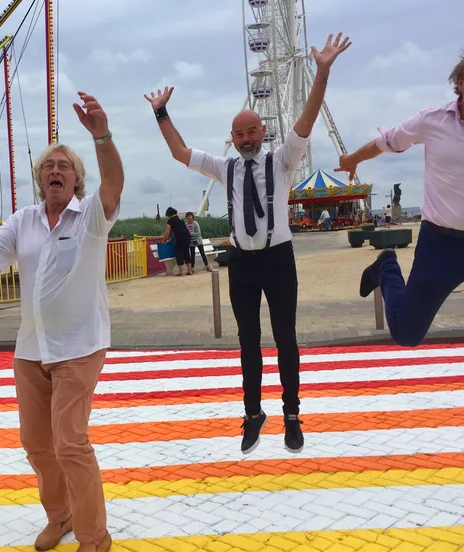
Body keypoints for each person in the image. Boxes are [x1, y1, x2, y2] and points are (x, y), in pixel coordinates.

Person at [145, 33, 351, 454]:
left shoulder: (283, 158)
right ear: (233, 138)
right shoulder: (225, 167)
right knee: (248, 340)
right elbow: (180, 152)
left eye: (251, 131)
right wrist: (162, 113)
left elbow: (308, 118)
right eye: (238, 134)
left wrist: (323, 71)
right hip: (241, 261)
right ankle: (253, 413)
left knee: (286, 337)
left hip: (278, 259)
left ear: (263, 131)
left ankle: (292, 413)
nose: (244, 139)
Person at [0, 91, 121, 552]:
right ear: (39, 179)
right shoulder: (23, 220)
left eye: (64, 167)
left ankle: (94, 534)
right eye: (49, 167)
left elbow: (113, 182)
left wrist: (101, 135)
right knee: (37, 445)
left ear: (76, 180)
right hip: (30, 351)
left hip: (79, 347)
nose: (56, 172)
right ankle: (60, 516)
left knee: (70, 442)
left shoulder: (90, 216)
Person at [335, 40, 464, 365]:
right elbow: (386, 142)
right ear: (460, 83)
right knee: (406, 333)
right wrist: (352, 159)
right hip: (441, 245)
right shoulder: (431, 121)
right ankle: (386, 267)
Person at [161, 206, 193, 275]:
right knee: (186, 253)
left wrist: (164, 240)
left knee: (179, 254)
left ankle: (181, 272)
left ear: (169, 214)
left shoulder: (171, 220)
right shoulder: (180, 218)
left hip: (179, 238)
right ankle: (190, 271)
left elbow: (167, 232)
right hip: (187, 237)